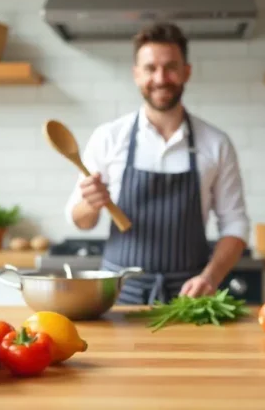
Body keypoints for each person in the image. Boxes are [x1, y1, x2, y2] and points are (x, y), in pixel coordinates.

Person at [63, 22, 250, 305]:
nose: (161, 78)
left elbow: (235, 225)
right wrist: (91, 203)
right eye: (150, 68)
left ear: (186, 71)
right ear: (136, 74)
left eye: (171, 67)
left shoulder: (215, 143)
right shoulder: (108, 138)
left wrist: (210, 277)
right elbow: (81, 221)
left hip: (190, 298)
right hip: (116, 296)